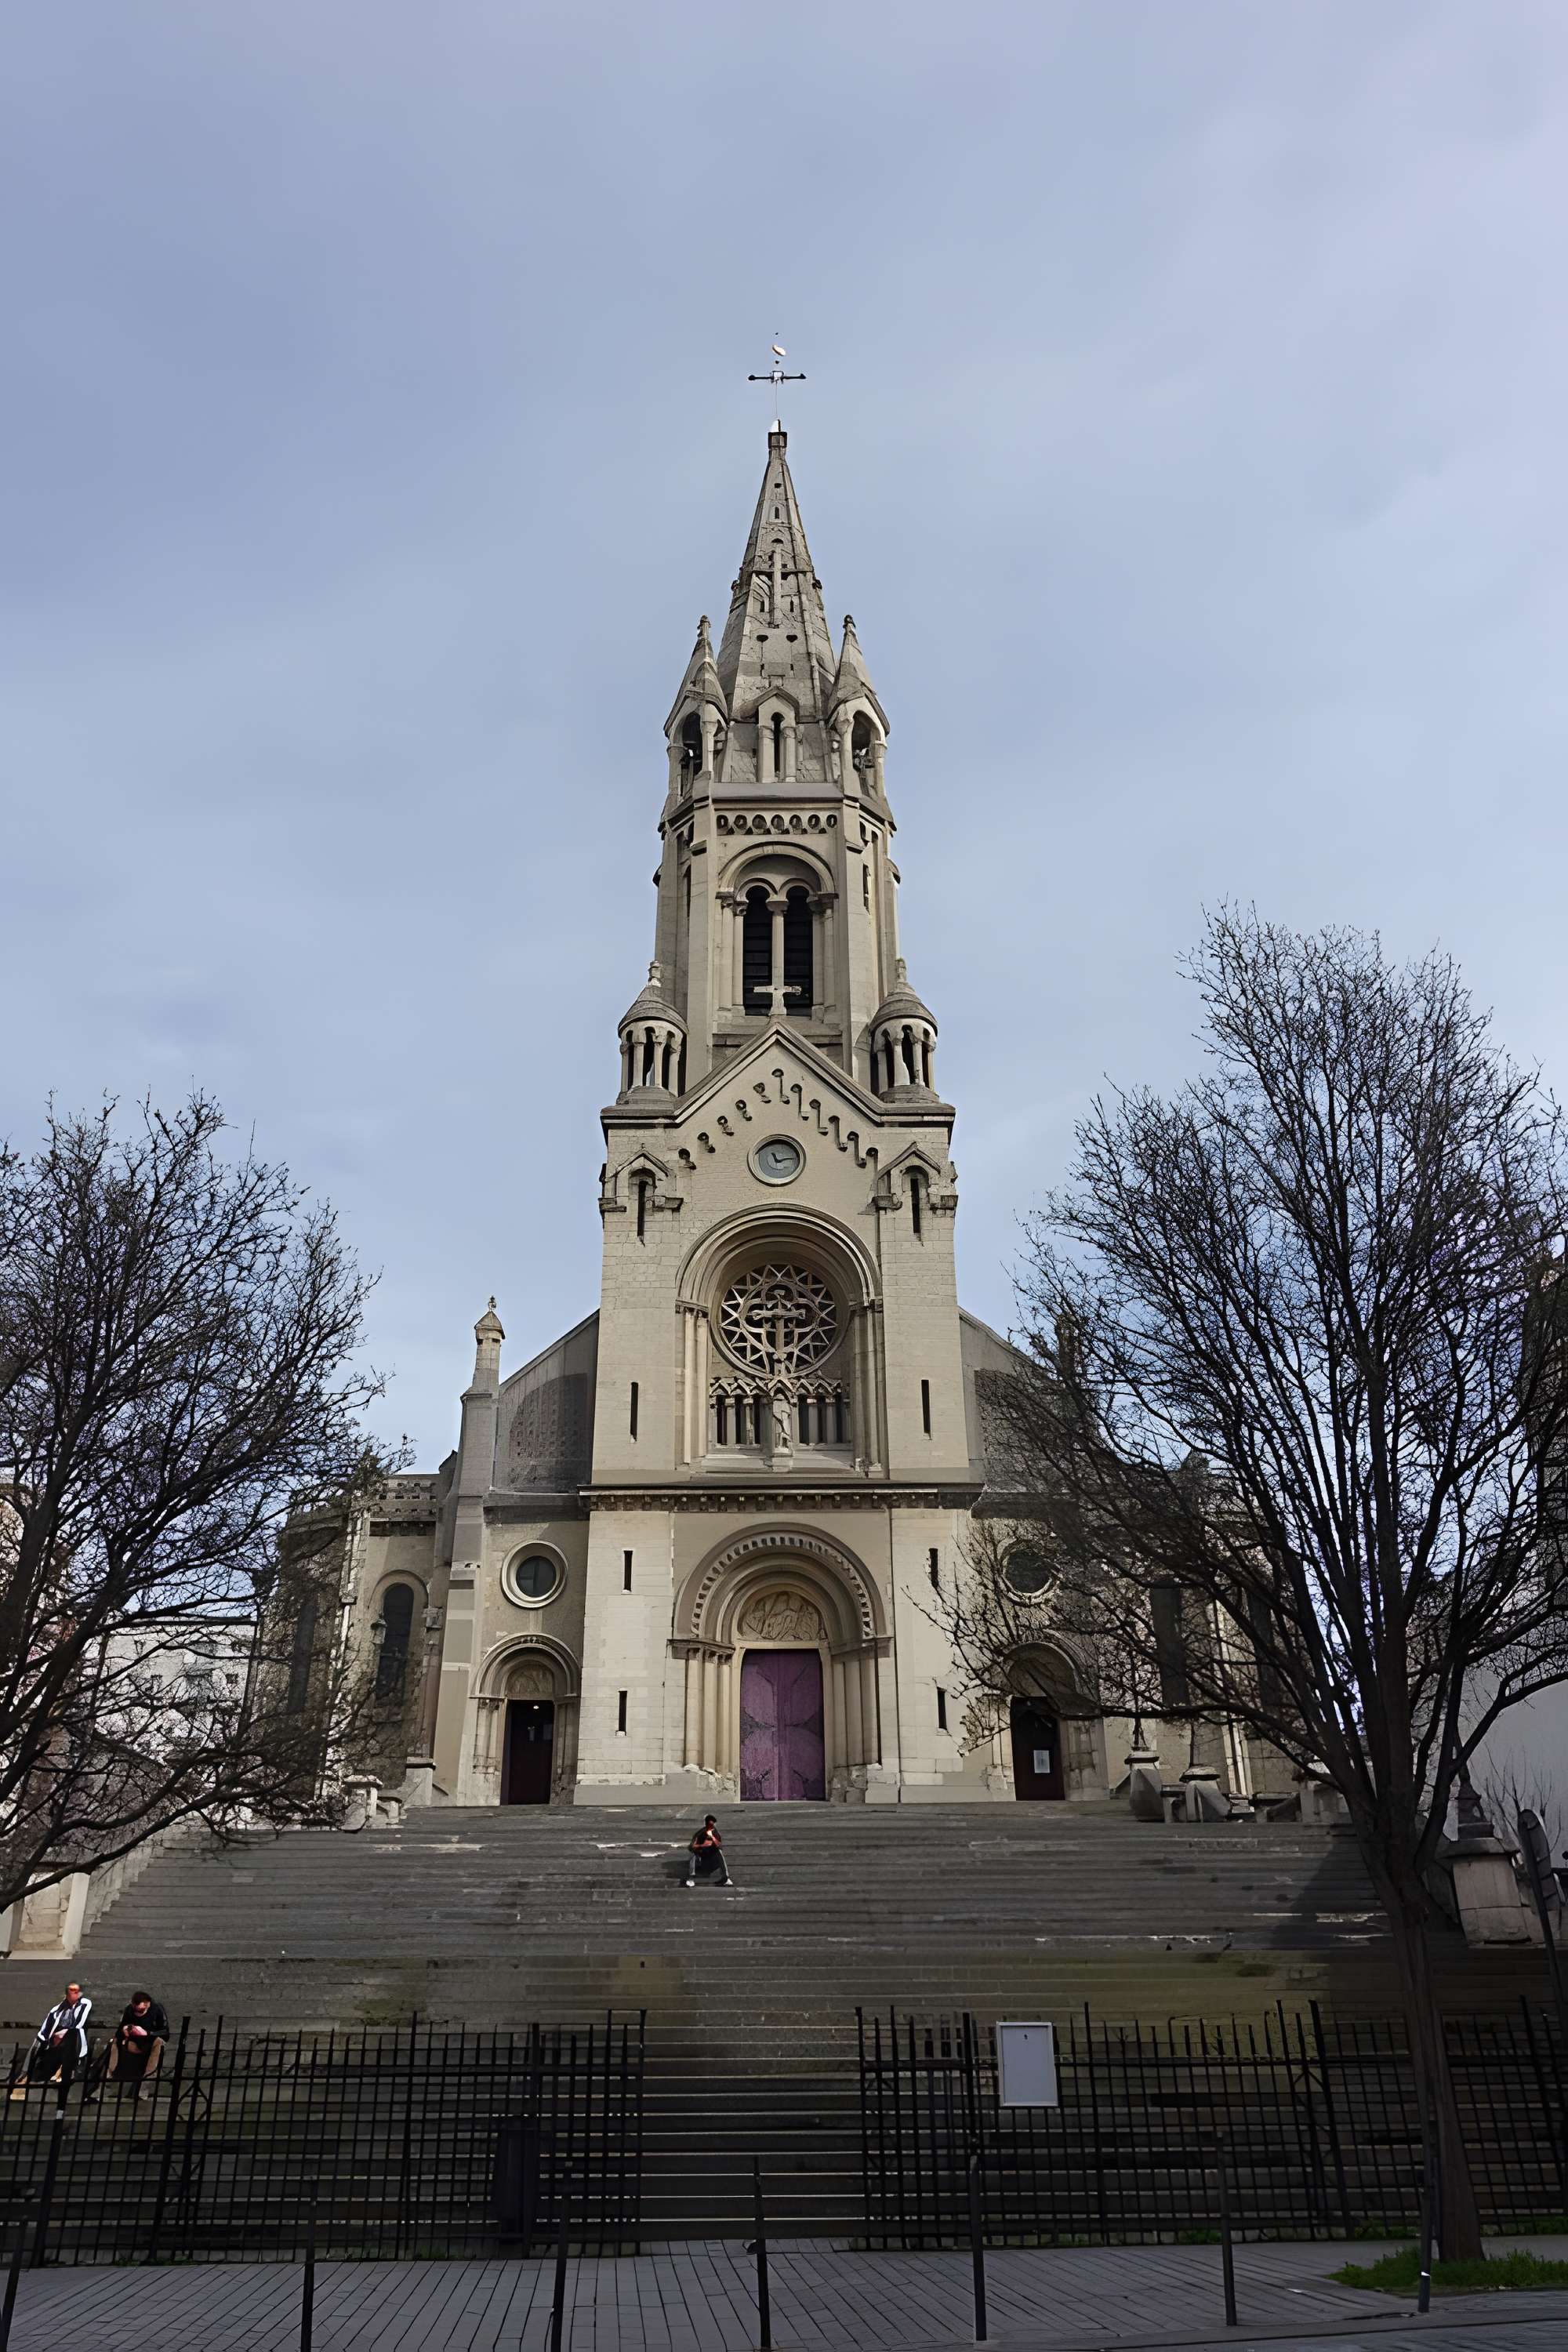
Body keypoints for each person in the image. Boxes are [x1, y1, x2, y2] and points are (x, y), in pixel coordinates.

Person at [9, 1982, 93, 2099]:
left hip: (72, 2040)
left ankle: (67, 2070)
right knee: (39, 2045)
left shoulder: (85, 2003)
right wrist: (45, 2040)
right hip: (55, 2043)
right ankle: (26, 2075)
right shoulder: (56, 2010)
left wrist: (65, 2032)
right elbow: (44, 2032)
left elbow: (78, 2023)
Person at [87, 1991, 170, 2103]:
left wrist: (147, 2033)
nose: (138, 2013)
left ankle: (143, 2090)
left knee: (159, 2044)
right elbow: (120, 2030)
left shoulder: (157, 2010)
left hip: (150, 2042)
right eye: (136, 2010)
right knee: (114, 2043)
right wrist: (124, 2030)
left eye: (141, 2011)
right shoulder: (130, 2010)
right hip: (132, 2041)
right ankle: (104, 2086)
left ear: (147, 2004)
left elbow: (165, 2033)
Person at [683, 1815, 732, 1888]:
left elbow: (720, 1846)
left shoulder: (716, 1833)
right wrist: (702, 1845)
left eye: (713, 1825)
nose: (711, 1828)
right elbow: (691, 1847)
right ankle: (691, 1878)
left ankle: (726, 1878)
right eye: (709, 1825)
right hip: (702, 1861)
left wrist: (712, 1837)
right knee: (693, 1853)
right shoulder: (700, 1834)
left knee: (719, 1852)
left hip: (713, 1861)